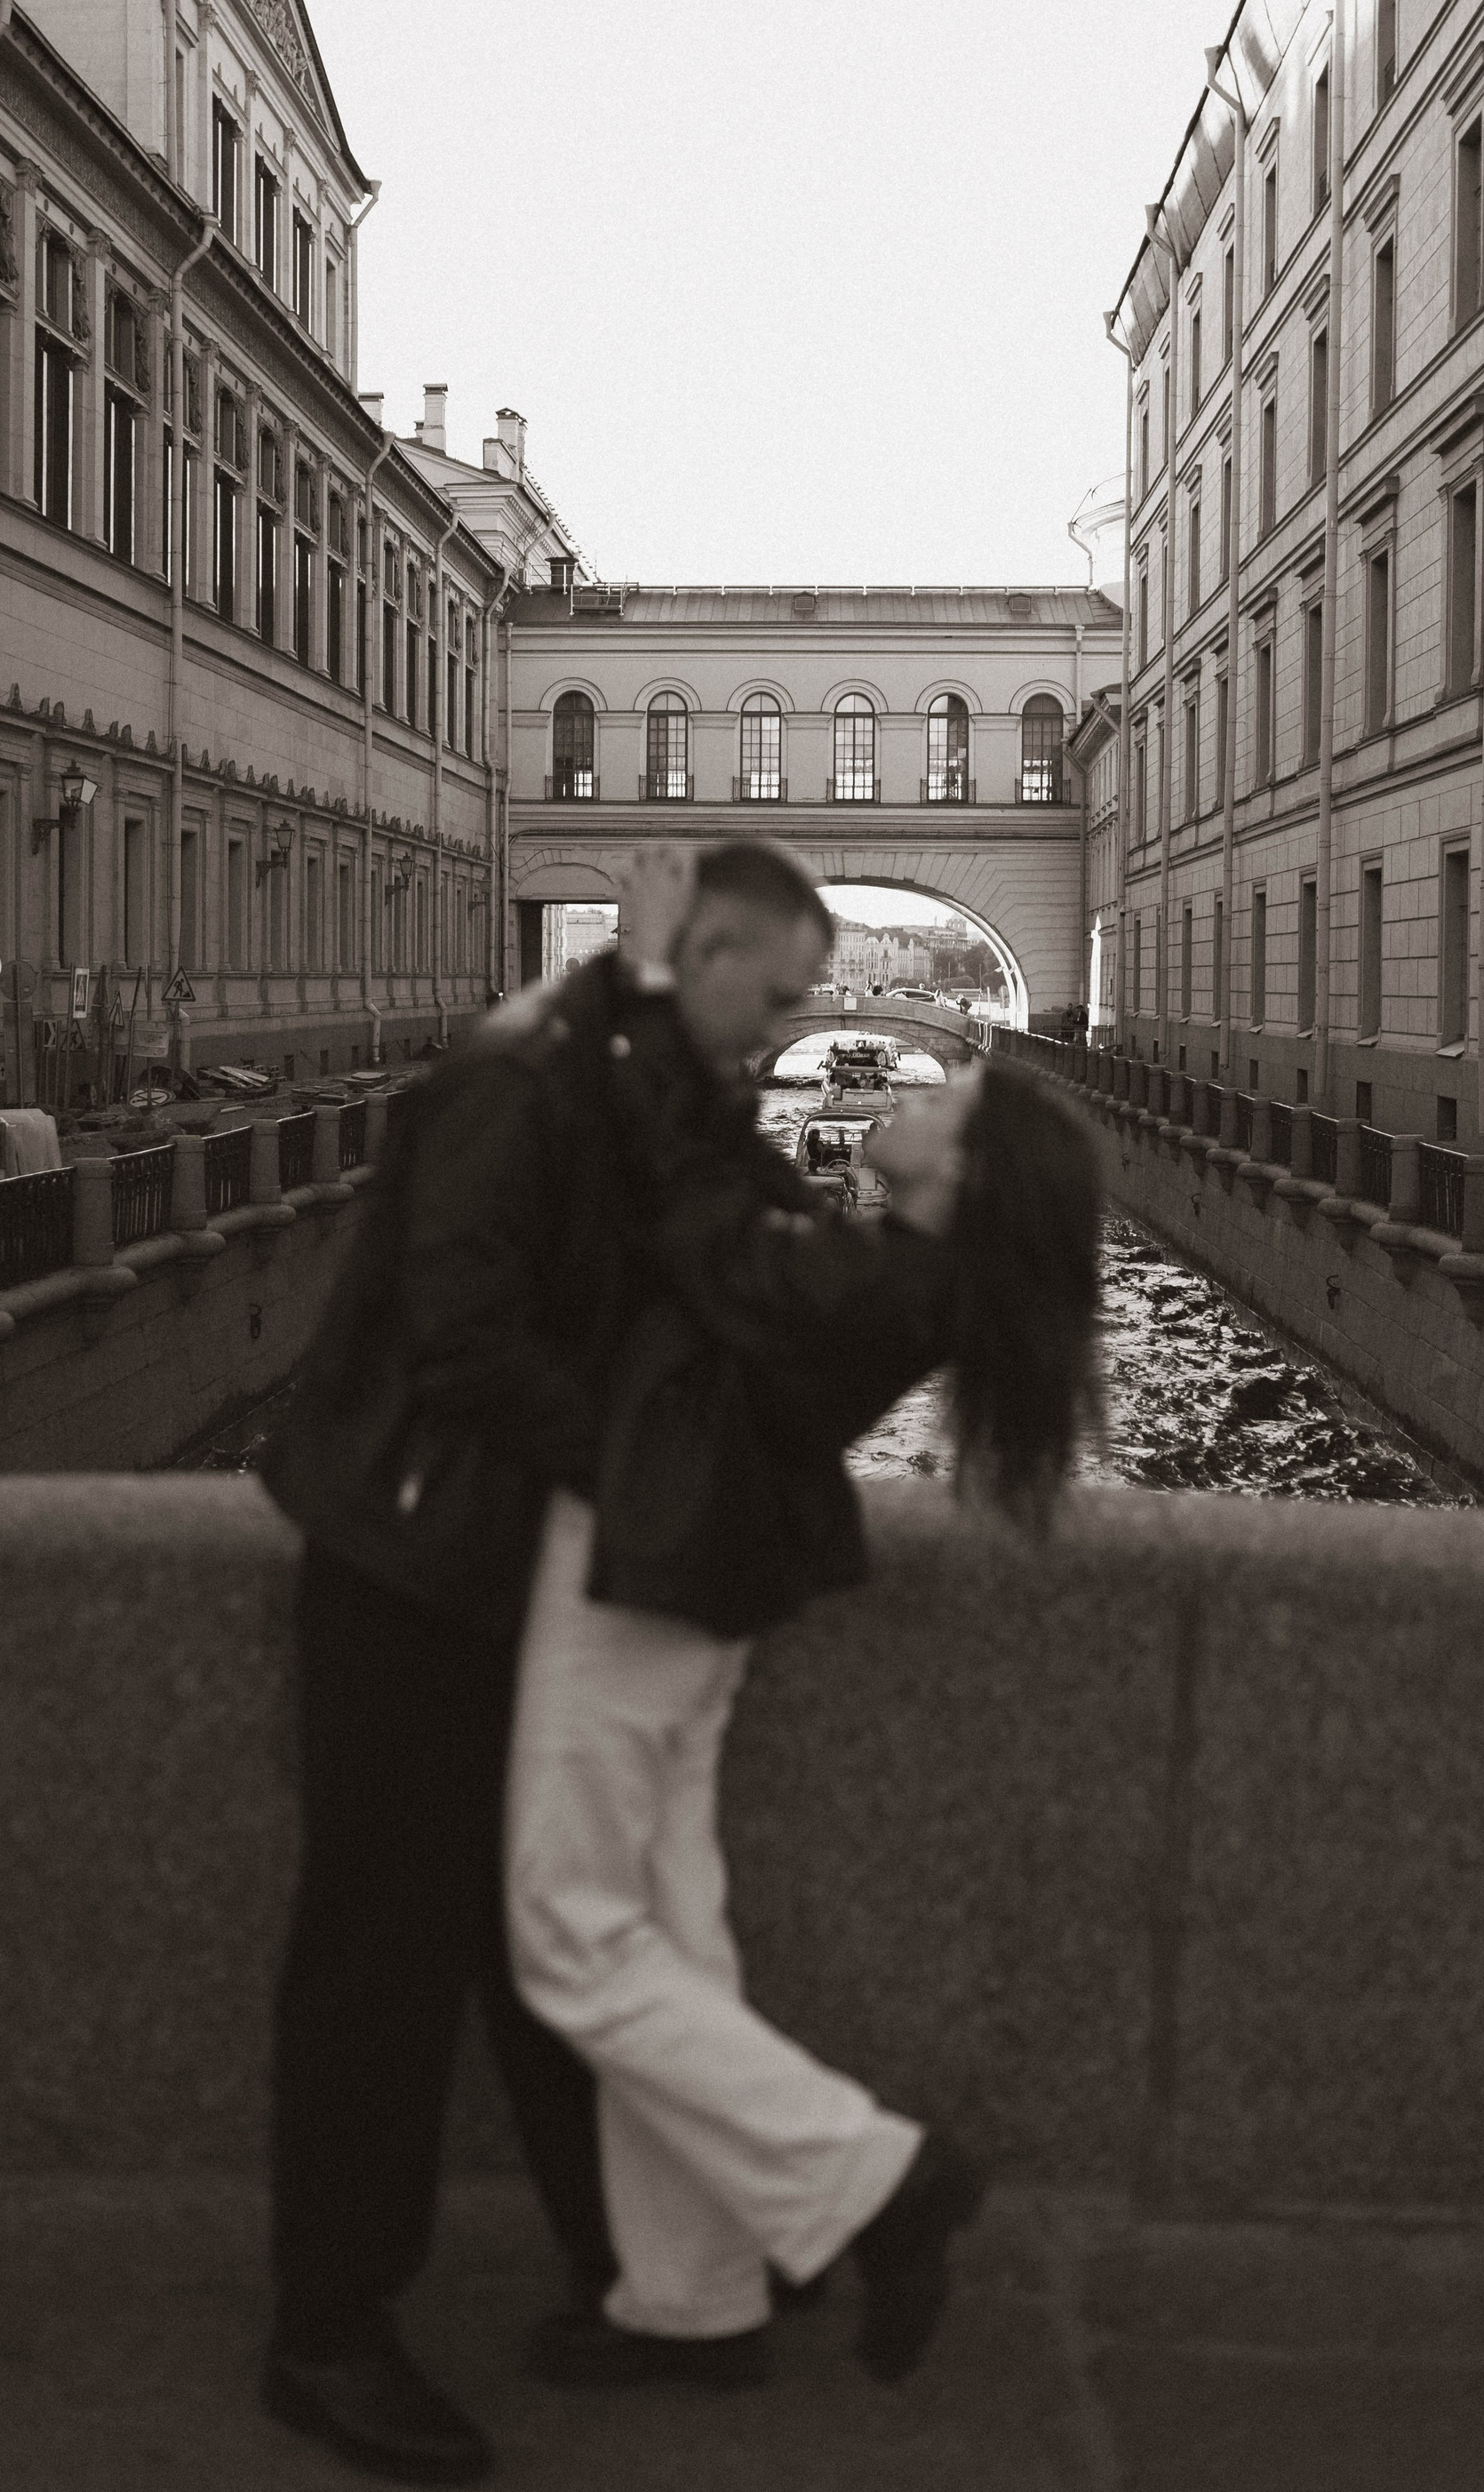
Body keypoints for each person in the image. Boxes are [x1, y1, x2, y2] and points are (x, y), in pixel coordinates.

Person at [261, 840, 934, 2486]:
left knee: (541, 1936)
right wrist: (653, 1474)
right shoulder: (519, 1080)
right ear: (700, 957)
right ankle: (327, 2331)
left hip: (518, 1559)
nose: (785, 1032)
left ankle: (647, 2274)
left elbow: (751, 1253)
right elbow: (465, 1344)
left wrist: (927, 1263)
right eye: (775, 997)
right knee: (385, 1950)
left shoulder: (648, 1075)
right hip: (408, 1558)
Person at [503, 1052, 1102, 2393]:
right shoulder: (890, 1273)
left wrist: (663, 1050)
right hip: (692, 1588)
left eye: (942, 1099)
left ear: (966, 1173)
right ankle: (695, 2297)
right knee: (670, 1931)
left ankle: (877, 2178)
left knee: (568, 1937)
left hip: (642, 1587)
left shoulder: (877, 1281)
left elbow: (695, 1226)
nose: (908, 1091)